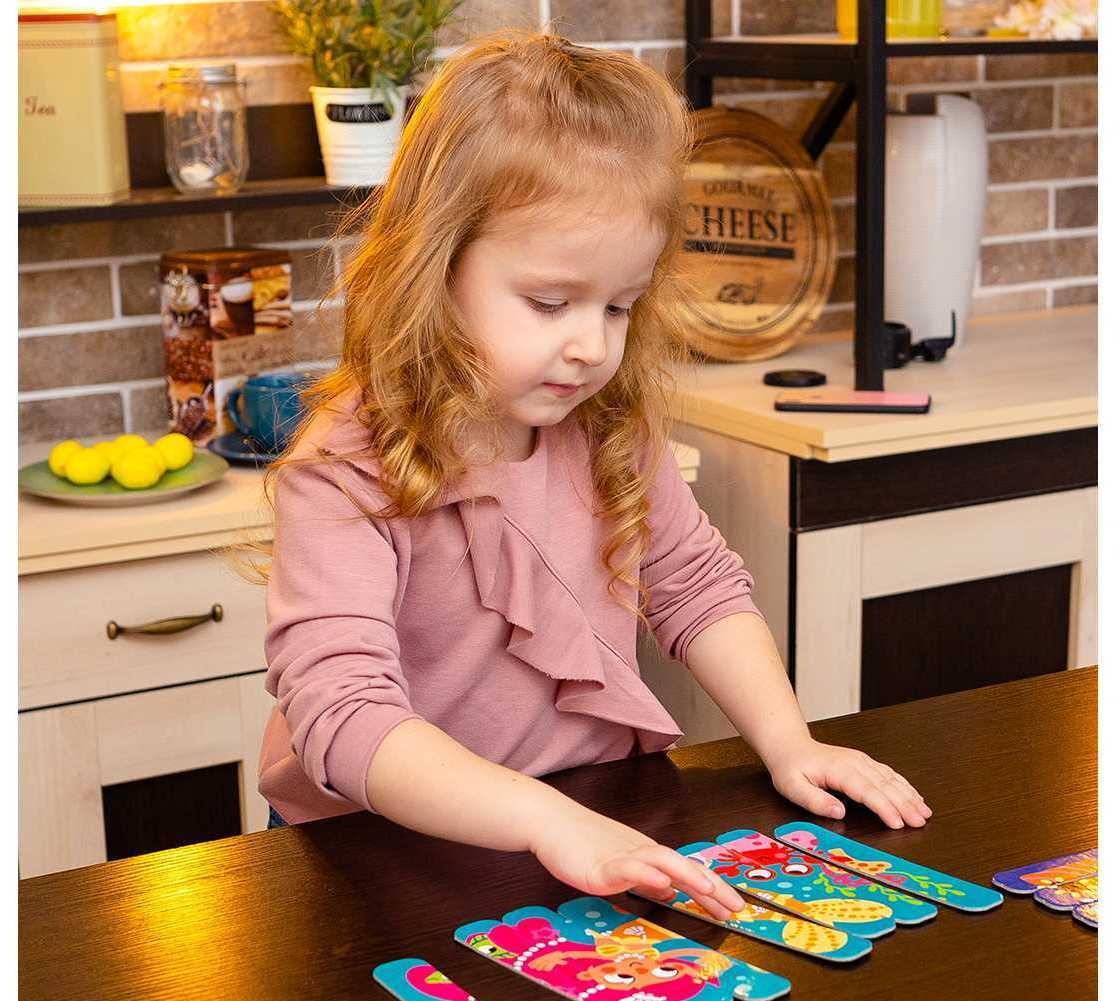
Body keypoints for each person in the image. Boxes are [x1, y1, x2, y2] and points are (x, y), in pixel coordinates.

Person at [252, 28, 930, 924]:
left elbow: (695, 586)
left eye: (619, 305)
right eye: (549, 302)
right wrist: (544, 819)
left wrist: (788, 741)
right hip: (377, 854)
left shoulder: (605, 424)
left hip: (582, 822)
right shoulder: (344, 470)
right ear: (433, 266)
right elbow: (342, 715)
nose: (590, 345)